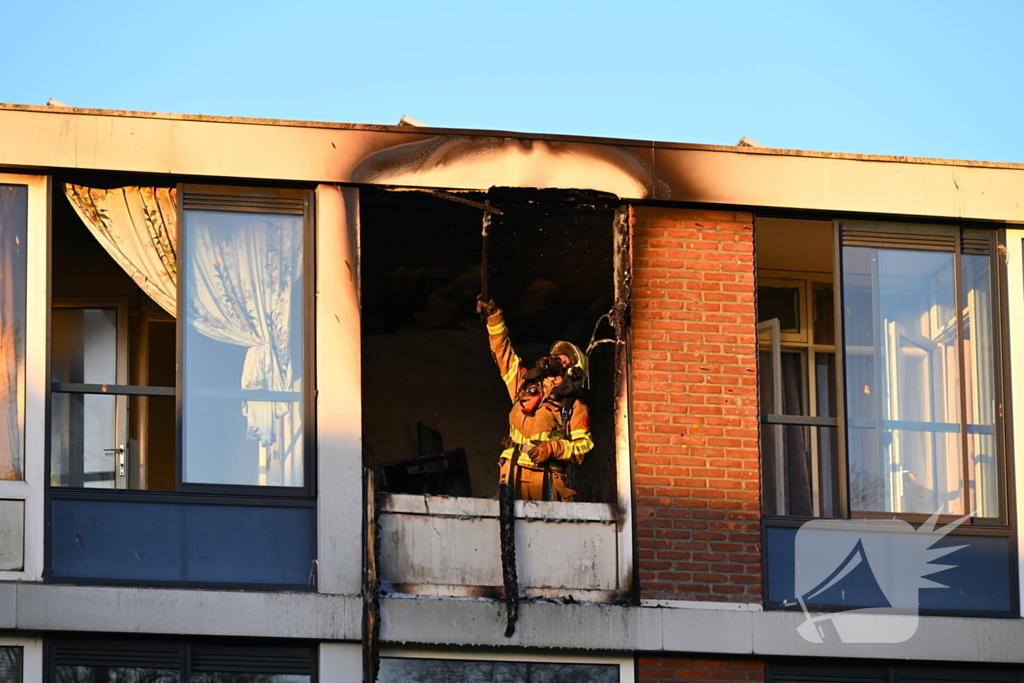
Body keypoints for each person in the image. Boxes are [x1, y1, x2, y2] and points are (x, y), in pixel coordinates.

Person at [477, 295, 594, 501]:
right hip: (512, 473)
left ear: (573, 373)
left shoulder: (574, 406)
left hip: (547, 480)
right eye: (557, 356)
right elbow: (503, 352)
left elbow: (585, 447)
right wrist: (494, 318)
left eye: (564, 360)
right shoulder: (524, 385)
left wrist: (553, 447)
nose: (557, 361)